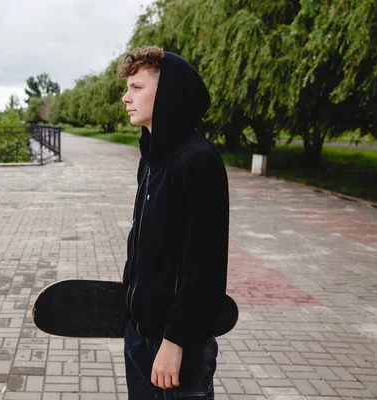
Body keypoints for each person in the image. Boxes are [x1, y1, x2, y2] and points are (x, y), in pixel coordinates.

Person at [119, 46, 229, 399]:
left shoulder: (199, 160)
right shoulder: (152, 158)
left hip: (178, 346)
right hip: (139, 336)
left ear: (167, 93)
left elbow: (205, 264)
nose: (126, 98)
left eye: (137, 88)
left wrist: (175, 341)